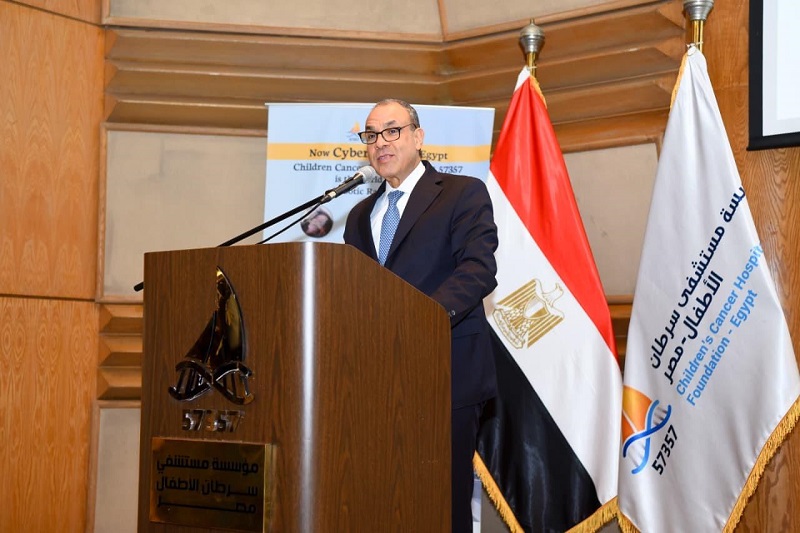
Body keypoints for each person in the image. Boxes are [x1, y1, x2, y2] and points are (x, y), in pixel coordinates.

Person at [343, 99, 498, 532]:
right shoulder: (358, 216)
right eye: (371, 135)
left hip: (446, 374)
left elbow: (478, 270)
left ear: (418, 136)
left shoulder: (462, 193)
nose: (381, 142)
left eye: (392, 131)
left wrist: (418, 321)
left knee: (441, 503)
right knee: (384, 500)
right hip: (376, 382)